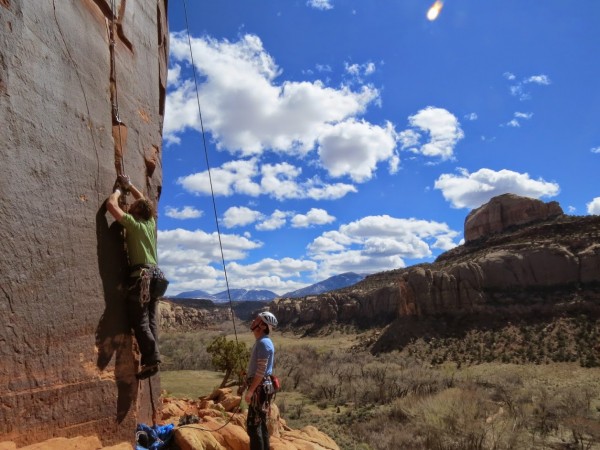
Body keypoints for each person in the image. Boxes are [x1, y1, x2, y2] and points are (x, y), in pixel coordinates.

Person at [106, 175, 162, 379]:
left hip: (142, 278)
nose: (129, 207)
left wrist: (120, 191)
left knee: (140, 321)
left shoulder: (134, 224)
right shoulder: (149, 223)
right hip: (155, 278)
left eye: (132, 205)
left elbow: (111, 205)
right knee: (151, 321)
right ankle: (152, 357)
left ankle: (152, 358)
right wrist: (131, 185)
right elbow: (145, 203)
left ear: (136, 211)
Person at [243, 311, 278, 450]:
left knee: (253, 426)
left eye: (257, 320)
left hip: (259, 389)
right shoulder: (262, 342)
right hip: (262, 387)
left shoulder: (263, 343)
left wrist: (250, 391)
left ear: (263, 326)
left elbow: (261, 370)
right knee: (260, 423)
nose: (253, 321)